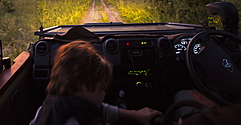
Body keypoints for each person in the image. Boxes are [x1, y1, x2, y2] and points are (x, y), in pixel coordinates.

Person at [29, 40, 162, 125]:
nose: (104, 93)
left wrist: (135, 115)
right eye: (101, 88)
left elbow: (99, 109)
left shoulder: (52, 106)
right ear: (84, 86)